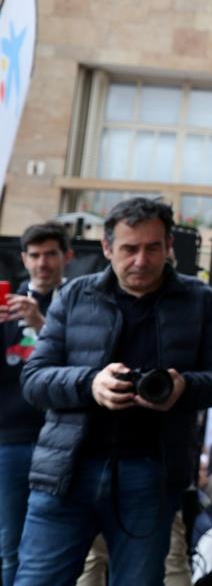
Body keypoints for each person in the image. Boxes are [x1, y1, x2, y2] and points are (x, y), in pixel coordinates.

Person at [16, 197, 212, 586]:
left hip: (150, 474)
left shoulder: (199, 300)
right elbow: (34, 379)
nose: (141, 260)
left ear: (169, 246)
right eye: (129, 249)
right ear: (106, 248)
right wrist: (91, 384)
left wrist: (183, 387)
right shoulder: (75, 296)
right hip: (66, 471)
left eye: (153, 248)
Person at [0, 222, 73, 586]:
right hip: (10, 439)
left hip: (63, 440)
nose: (42, 263)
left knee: (55, 545)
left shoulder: (79, 304)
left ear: (66, 257)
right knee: (10, 543)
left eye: (50, 254)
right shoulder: (6, 306)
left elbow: (80, 366)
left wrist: (41, 323)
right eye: (35, 255)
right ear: (24, 259)